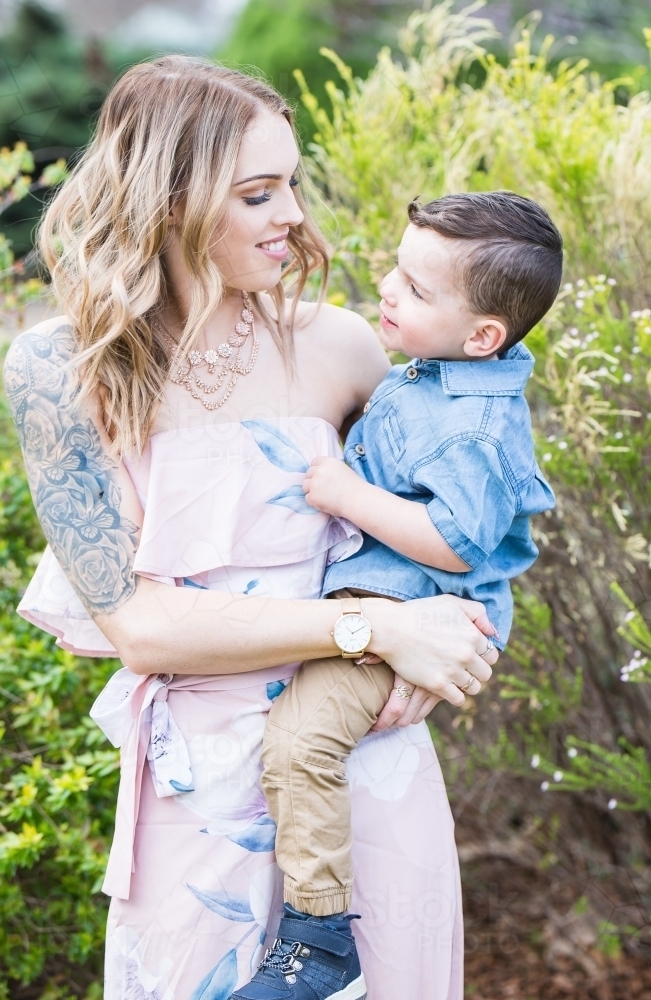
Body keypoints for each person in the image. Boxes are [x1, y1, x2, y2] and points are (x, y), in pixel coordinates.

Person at [4, 56, 498, 1000]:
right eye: (260, 193)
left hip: (361, 771)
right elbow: (140, 627)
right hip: (197, 792)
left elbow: (463, 526)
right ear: (168, 199)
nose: (295, 219)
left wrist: (443, 644)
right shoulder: (58, 369)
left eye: (295, 186)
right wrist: (375, 628)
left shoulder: (343, 345)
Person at [241, 191, 559, 999]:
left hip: (407, 609)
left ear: (482, 334)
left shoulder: (470, 427)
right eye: (396, 267)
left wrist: (345, 493)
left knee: (300, 743)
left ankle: (317, 938)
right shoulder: (439, 373)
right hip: (380, 601)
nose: (386, 287)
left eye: (416, 290)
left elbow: (457, 542)